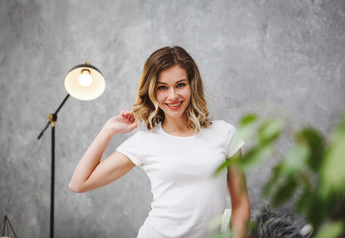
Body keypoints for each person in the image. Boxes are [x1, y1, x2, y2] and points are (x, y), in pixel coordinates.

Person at [69, 46, 250, 238]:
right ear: (152, 92)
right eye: (162, 87)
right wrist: (108, 130)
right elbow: (79, 184)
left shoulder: (224, 133)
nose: (172, 96)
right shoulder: (145, 142)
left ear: (192, 85)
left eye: (180, 85)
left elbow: (241, 203)